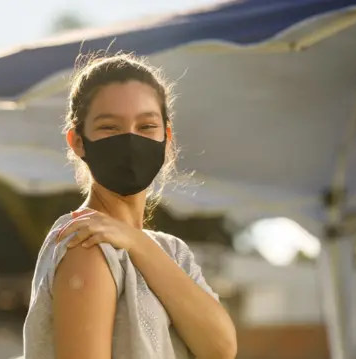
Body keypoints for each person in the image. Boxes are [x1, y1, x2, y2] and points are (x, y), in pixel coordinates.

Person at [23, 54, 237, 359]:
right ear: (78, 141)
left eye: (147, 125)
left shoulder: (172, 252)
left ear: (167, 137)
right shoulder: (86, 241)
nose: (131, 141)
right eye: (110, 128)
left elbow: (221, 347)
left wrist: (137, 242)